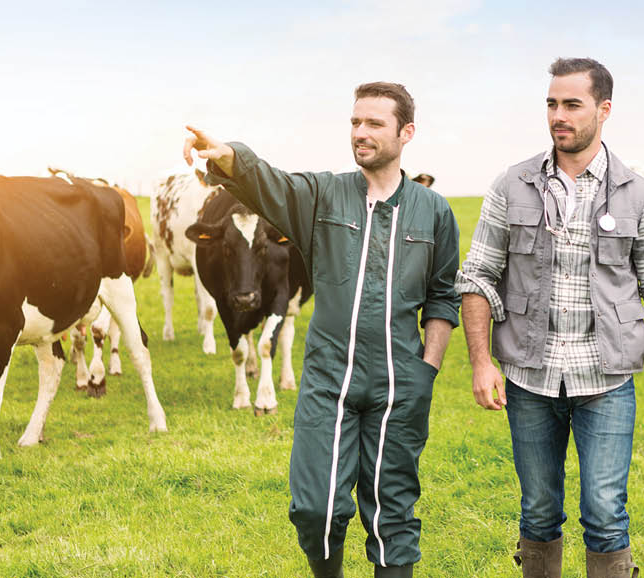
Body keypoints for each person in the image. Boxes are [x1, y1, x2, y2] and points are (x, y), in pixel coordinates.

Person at [184, 82, 461, 578]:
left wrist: (427, 369)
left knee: (391, 514)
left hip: (401, 381)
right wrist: (228, 154)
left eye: (375, 123)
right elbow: (268, 182)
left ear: (406, 132)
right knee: (316, 508)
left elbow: (443, 295)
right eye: (355, 122)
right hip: (329, 376)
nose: (361, 132)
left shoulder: (433, 211)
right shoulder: (322, 195)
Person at [457, 58, 644, 578]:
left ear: (603, 110)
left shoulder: (639, 194)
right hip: (528, 379)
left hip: (606, 382)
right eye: (552, 104)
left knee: (605, 516)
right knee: (538, 514)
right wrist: (480, 363)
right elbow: (477, 278)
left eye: (572, 105)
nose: (558, 116)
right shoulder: (511, 184)